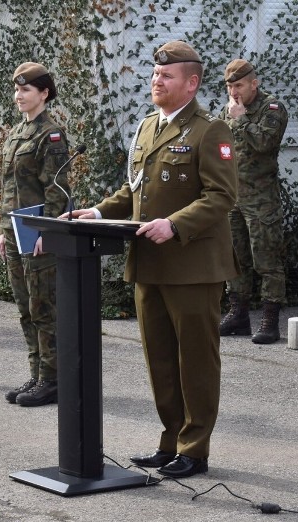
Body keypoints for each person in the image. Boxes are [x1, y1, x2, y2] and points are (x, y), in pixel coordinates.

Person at [66, 40, 239, 478]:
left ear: (191, 83)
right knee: (160, 359)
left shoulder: (210, 130)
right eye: (154, 74)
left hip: (192, 266)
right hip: (150, 264)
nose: (156, 81)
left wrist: (175, 224)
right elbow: (135, 191)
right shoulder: (147, 127)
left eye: (166, 76)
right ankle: (171, 440)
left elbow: (222, 196)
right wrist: (100, 212)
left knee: (195, 360)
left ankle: (194, 448)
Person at [0, 62, 71, 406]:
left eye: (26, 90)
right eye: (16, 90)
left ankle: (53, 378)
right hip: (15, 230)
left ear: (44, 93)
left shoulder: (51, 134)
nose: (19, 95)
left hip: (37, 231)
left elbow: (56, 189)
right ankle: (36, 373)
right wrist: (2, 229)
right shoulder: (15, 133)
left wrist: (50, 230)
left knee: (43, 306)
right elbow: (8, 187)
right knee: (25, 306)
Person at [217, 59, 289, 344]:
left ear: (254, 84)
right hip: (232, 196)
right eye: (230, 86)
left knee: (266, 260)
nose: (234, 92)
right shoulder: (227, 111)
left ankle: (270, 321)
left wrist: (241, 118)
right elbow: (220, 147)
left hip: (261, 199)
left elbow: (265, 144)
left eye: (239, 85)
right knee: (234, 258)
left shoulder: (271, 108)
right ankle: (239, 315)